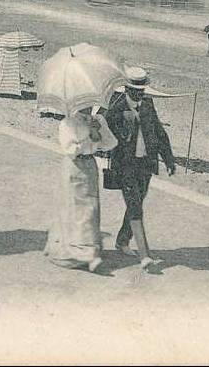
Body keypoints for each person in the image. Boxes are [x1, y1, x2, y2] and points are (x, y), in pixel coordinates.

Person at [105, 67, 176, 274]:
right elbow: (106, 133)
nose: (139, 94)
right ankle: (145, 256)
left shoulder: (148, 104)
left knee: (136, 202)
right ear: (126, 89)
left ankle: (122, 240)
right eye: (135, 90)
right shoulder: (116, 106)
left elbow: (159, 133)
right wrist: (123, 126)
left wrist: (169, 160)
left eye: (142, 90)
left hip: (145, 164)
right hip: (125, 165)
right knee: (135, 206)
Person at [44, 105, 117, 272]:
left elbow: (112, 143)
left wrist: (99, 132)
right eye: (84, 102)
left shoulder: (98, 120)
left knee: (91, 208)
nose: (88, 105)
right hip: (73, 166)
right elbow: (70, 149)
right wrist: (88, 137)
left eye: (91, 101)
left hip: (90, 165)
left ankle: (89, 251)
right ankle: (81, 253)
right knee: (74, 209)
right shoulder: (68, 123)